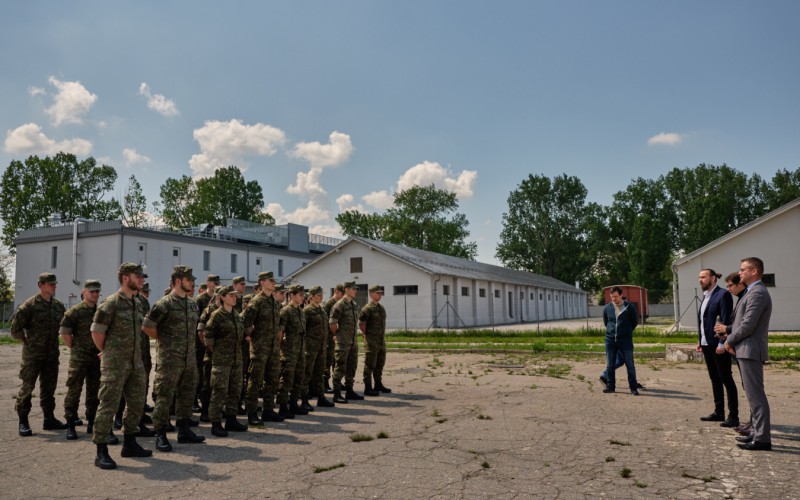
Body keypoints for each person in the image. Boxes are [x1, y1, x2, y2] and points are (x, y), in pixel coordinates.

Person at [90, 263, 152, 470]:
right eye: (138, 276)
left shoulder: (138, 302)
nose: (142, 279)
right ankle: (101, 451)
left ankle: (130, 443)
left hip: (135, 363)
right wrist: (108, 352)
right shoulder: (111, 303)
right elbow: (97, 332)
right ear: (126, 277)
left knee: (136, 405)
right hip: (115, 364)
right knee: (108, 405)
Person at [142, 265, 206, 452]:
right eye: (189, 280)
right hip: (169, 359)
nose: (192, 283)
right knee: (164, 396)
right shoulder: (164, 304)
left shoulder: (191, 304)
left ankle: (184, 430)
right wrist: (164, 340)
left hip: (189, 359)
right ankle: (160, 434)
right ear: (178, 281)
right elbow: (147, 326)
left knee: (186, 395)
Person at [719, 257, 772, 451]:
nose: (740, 273)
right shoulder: (752, 291)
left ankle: (762, 439)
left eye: (743, 270)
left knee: (756, 396)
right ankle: (756, 433)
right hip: (745, 349)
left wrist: (728, 340)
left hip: (750, 349)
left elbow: (748, 325)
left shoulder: (757, 293)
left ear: (754, 272)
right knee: (753, 396)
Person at [11, 272, 67, 436]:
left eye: (55, 284)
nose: (53, 286)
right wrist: (28, 344)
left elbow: (64, 326)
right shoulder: (28, 306)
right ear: (40, 285)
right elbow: (15, 330)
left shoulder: (58, 305)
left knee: (49, 389)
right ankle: (23, 421)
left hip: (51, 355)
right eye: (50, 284)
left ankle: (49, 419)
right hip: (33, 356)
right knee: (27, 388)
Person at [59, 280, 102, 440]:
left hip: (96, 357)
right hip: (79, 358)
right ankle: (71, 423)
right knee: (74, 390)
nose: (95, 294)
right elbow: (64, 333)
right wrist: (75, 349)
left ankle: (92, 422)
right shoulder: (75, 311)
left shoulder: (100, 311)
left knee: (94, 391)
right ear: (84, 292)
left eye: (97, 291)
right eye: (92, 291)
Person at [694, 269, 737, 427]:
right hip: (707, 344)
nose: (700, 280)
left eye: (703, 277)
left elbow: (725, 319)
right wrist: (701, 340)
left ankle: (734, 416)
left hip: (719, 345)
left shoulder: (723, 294)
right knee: (714, 379)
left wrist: (722, 343)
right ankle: (719, 412)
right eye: (699, 277)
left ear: (713, 278)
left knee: (726, 378)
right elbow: (704, 321)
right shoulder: (706, 296)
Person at [240, 271, 284, 425]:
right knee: (255, 380)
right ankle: (252, 413)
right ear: (263, 283)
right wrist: (253, 335)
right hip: (259, 348)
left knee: (272, 379)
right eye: (271, 280)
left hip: (272, 348)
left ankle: (268, 410)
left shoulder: (273, 302)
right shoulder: (256, 302)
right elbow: (244, 321)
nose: (274, 283)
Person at [204, 285, 248, 436]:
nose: (234, 297)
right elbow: (208, 338)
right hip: (222, 361)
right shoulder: (217, 315)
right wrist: (217, 353)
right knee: (219, 392)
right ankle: (215, 423)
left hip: (236, 360)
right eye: (231, 295)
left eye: (235, 295)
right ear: (222, 297)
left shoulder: (236, 315)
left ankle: (231, 419)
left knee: (234, 391)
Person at [277, 284, 308, 418]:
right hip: (289, 351)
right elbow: (280, 332)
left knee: (298, 378)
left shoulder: (300, 311)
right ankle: (283, 407)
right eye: (300, 295)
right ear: (292, 295)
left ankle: (294, 404)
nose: (303, 297)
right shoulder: (286, 311)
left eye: (303, 295)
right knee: (287, 379)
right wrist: (279, 350)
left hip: (300, 350)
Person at [601, 286, 640, 395]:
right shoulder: (607, 308)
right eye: (612, 297)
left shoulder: (629, 307)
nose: (614, 299)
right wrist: (612, 333)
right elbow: (606, 323)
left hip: (625, 341)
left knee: (630, 365)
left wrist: (626, 332)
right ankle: (611, 386)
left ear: (621, 295)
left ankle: (633, 388)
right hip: (610, 341)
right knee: (610, 365)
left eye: (616, 296)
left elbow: (634, 322)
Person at [329, 281, 363, 403]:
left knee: (352, 367)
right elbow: (332, 323)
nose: (355, 291)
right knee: (340, 367)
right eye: (353, 289)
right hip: (343, 341)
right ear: (347, 289)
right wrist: (337, 335)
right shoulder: (339, 305)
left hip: (353, 341)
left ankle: (349, 391)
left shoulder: (353, 304)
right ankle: (337, 393)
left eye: (356, 289)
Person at [302, 286, 335, 408]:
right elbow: (303, 330)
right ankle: (304, 399)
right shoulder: (307, 311)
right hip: (310, 348)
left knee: (320, 373)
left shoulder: (321, 310)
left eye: (321, 294)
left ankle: (321, 397)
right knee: (307, 374)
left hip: (321, 348)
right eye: (318, 295)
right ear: (311, 296)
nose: (321, 297)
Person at [359, 285, 391, 396]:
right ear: (371, 294)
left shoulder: (381, 308)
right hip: (371, 341)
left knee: (380, 364)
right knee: (369, 365)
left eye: (381, 293)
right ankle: (368, 387)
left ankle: (378, 384)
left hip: (381, 341)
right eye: (377, 293)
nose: (380, 295)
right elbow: (361, 324)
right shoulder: (367, 309)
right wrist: (367, 335)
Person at [194, 275, 219, 412]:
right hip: (201, 342)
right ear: (208, 283)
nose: (215, 285)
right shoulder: (200, 299)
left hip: (214, 344)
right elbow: (198, 323)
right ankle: (196, 401)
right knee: (200, 373)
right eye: (214, 282)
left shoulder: (220, 300)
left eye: (217, 283)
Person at [322, 284, 344, 393]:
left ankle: (338, 382)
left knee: (337, 360)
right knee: (328, 360)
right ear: (337, 292)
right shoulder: (328, 304)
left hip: (337, 337)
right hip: (329, 337)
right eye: (342, 293)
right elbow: (324, 321)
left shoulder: (340, 304)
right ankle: (325, 383)